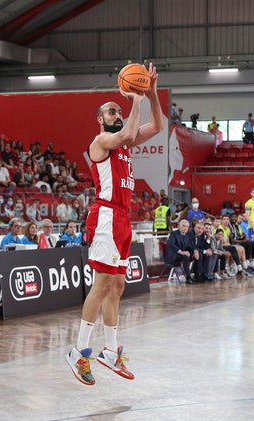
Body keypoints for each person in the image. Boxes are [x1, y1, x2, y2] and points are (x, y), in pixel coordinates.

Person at [66, 62, 164, 386]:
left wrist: (150, 92)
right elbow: (126, 132)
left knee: (118, 287)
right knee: (102, 284)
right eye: (111, 112)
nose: (116, 114)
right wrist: (135, 97)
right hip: (106, 215)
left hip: (124, 217)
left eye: (118, 111)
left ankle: (110, 351)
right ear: (100, 120)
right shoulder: (100, 142)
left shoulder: (124, 143)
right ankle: (79, 351)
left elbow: (158, 125)